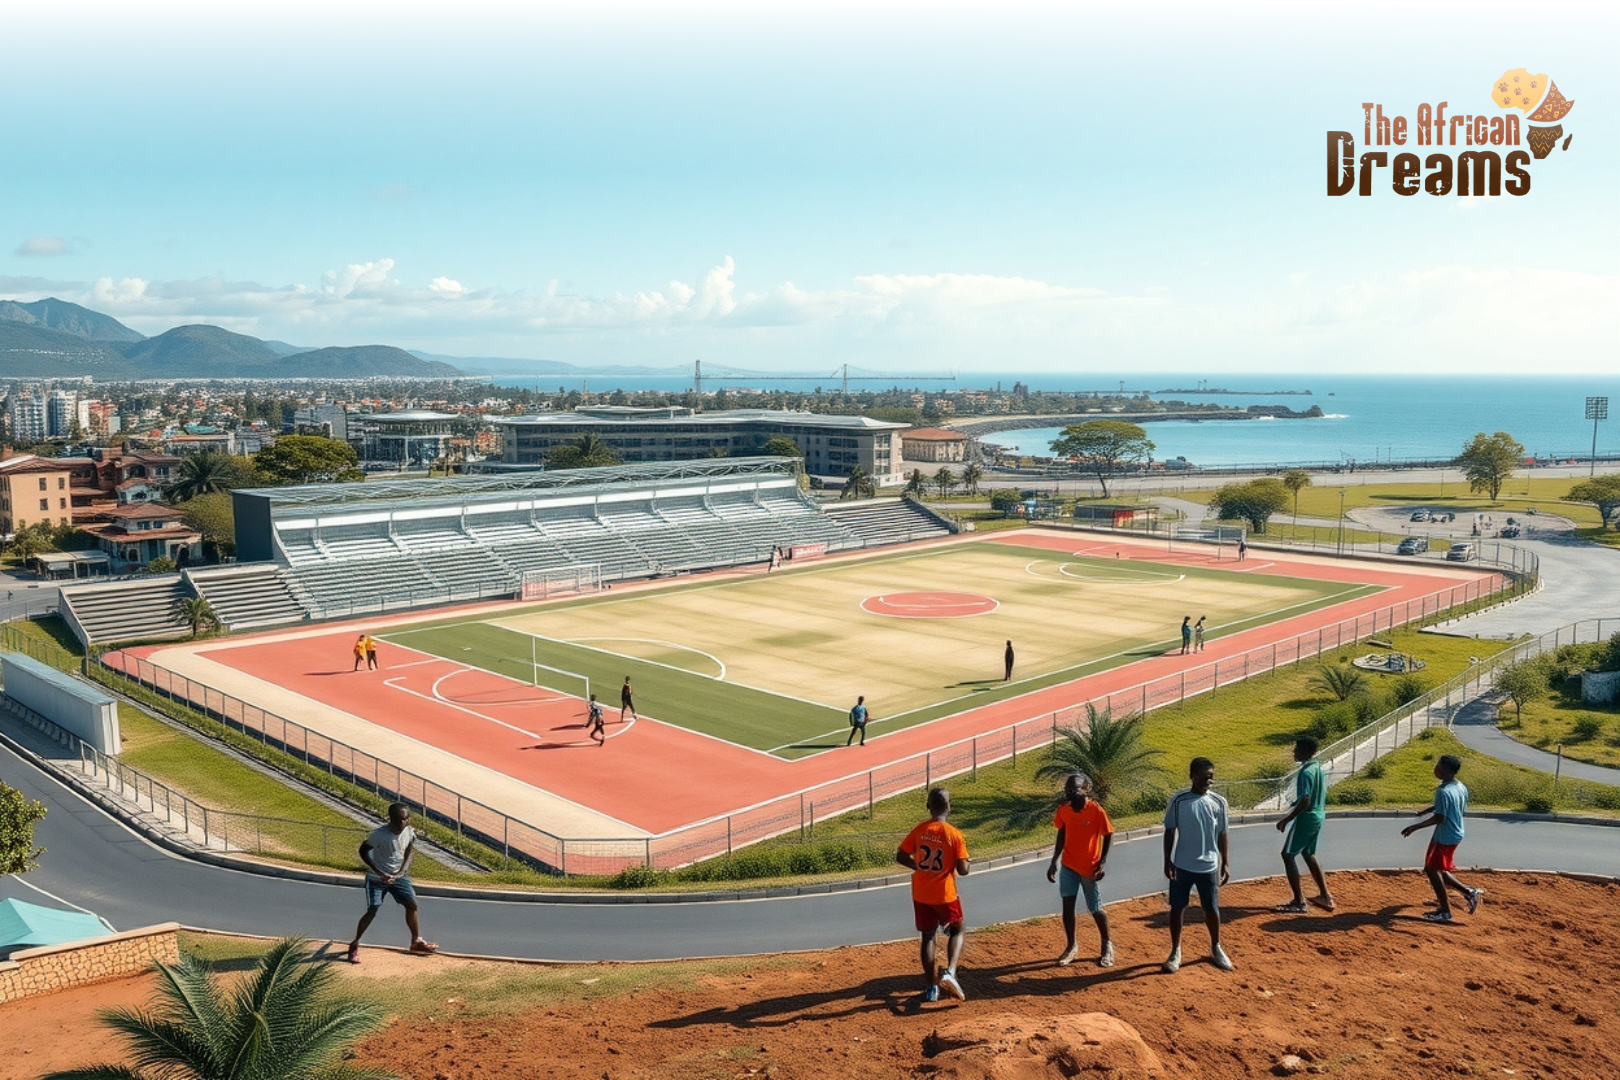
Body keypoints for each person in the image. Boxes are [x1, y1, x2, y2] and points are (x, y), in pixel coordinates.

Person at [897, 788, 970, 1002]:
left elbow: (900, 855)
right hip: (945, 894)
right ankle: (951, 971)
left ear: (928, 807)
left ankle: (931, 987)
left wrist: (918, 865)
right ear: (949, 807)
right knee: (957, 930)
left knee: (928, 937)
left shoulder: (919, 830)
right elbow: (964, 869)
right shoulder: (954, 834)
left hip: (921, 893)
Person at [1162, 757, 1232, 973]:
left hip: (1208, 866)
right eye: (1203, 777)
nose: (1208, 781)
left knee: (1211, 908)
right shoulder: (1179, 801)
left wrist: (1225, 862)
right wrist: (1167, 859)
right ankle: (1175, 951)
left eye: (1211, 777)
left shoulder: (1219, 802)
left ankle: (1216, 947)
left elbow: (1222, 833)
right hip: (1182, 866)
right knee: (1177, 908)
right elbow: (1170, 830)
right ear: (1192, 776)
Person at [347, 802, 436, 962]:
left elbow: (410, 849)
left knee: (412, 904)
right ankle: (354, 944)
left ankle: (415, 941)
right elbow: (363, 851)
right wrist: (380, 873)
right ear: (392, 820)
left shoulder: (409, 831)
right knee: (372, 909)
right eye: (401, 819)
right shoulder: (379, 835)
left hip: (398, 877)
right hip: (377, 879)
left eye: (407, 818)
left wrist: (402, 871)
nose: (405, 822)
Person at [1400, 754, 1483, 922]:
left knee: (1431, 869)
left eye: (1438, 765)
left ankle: (1445, 911)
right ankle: (1469, 893)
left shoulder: (1442, 791)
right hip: (1456, 832)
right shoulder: (1459, 786)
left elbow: (1440, 817)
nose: (1435, 768)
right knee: (1436, 868)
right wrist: (1426, 811)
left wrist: (1415, 827)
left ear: (1444, 770)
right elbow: (1449, 805)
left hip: (1445, 835)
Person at [1046, 772, 1114, 967]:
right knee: (1068, 907)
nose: (1071, 792)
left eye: (1075, 789)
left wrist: (1102, 862)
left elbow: (1108, 834)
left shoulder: (1095, 810)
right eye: (1069, 789)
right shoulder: (1064, 809)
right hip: (1068, 866)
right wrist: (1054, 861)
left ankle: (1107, 944)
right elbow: (1062, 832)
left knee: (1096, 908)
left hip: (1088, 869)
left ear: (1086, 790)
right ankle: (1071, 946)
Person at [1274, 736, 1335, 913]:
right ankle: (1325, 895)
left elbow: (1305, 800)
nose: (1294, 752)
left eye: (1297, 749)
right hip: (1318, 815)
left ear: (1306, 752)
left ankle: (1298, 901)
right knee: (1309, 854)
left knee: (1287, 855)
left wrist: (1286, 819)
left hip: (1307, 818)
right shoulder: (1317, 768)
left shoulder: (1305, 773)